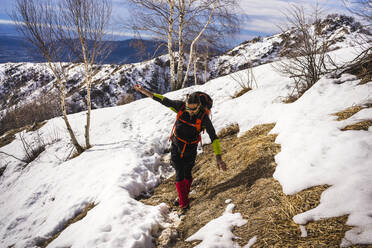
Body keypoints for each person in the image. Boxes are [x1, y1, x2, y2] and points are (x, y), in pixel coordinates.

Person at [133, 84, 227, 211]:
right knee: (179, 172)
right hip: (176, 145)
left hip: (191, 148)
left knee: (187, 173)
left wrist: (219, 158)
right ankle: (184, 203)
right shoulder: (180, 107)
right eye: (189, 108)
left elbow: (214, 137)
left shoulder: (203, 117)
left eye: (193, 109)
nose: (190, 112)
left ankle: (184, 196)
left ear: (199, 106)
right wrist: (144, 91)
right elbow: (163, 100)